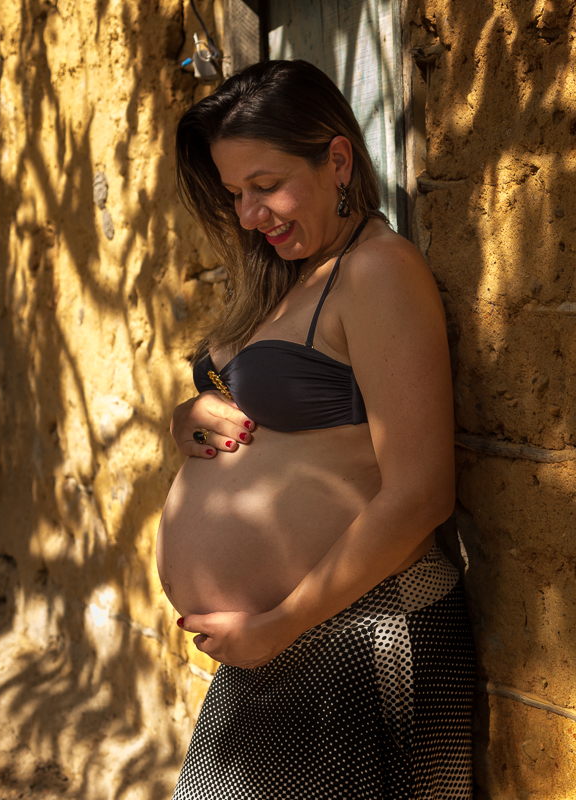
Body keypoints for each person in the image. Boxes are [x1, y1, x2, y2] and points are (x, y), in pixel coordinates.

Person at [157, 60, 474, 799]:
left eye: (264, 187)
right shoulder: (286, 278)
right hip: (286, 646)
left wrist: (278, 626)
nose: (247, 215)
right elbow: (283, 418)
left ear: (337, 160)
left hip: (354, 635)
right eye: (236, 194)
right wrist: (191, 415)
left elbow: (421, 492)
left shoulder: (375, 271)